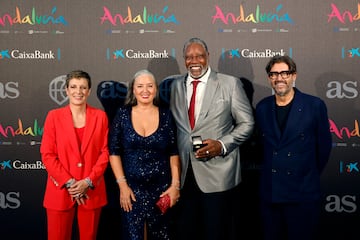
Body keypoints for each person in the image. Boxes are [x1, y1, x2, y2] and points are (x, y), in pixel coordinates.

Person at [169, 37, 255, 240]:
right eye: (189, 57)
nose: (194, 60)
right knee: (186, 231)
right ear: (184, 60)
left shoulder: (229, 83)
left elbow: (247, 123)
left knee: (216, 232)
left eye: (199, 55)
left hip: (219, 173)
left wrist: (222, 144)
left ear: (208, 56)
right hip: (184, 173)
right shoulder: (175, 85)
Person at [255, 55, 332, 240]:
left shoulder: (314, 106)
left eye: (284, 73)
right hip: (271, 194)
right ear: (269, 78)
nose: (279, 78)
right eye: (274, 74)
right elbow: (259, 147)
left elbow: (323, 148)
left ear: (294, 75)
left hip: (302, 194)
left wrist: (305, 173)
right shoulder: (263, 107)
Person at [109, 69, 181, 240]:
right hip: (131, 191)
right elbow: (114, 152)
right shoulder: (123, 115)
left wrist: (175, 186)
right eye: (140, 86)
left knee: (161, 235)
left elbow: (173, 152)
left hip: (162, 190)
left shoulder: (166, 115)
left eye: (149, 86)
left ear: (155, 89)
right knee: (134, 236)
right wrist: (123, 186)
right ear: (133, 89)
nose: (145, 90)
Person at [40, 70, 109, 240]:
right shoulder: (53, 117)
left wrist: (88, 181)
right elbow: (47, 154)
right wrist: (70, 183)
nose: (78, 91)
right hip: (61, 191)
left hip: (91, 191)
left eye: (83, 87)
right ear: (66, 90)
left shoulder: (100, 117)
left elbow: (105, 152)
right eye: (74, 87)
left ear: (89, 91)